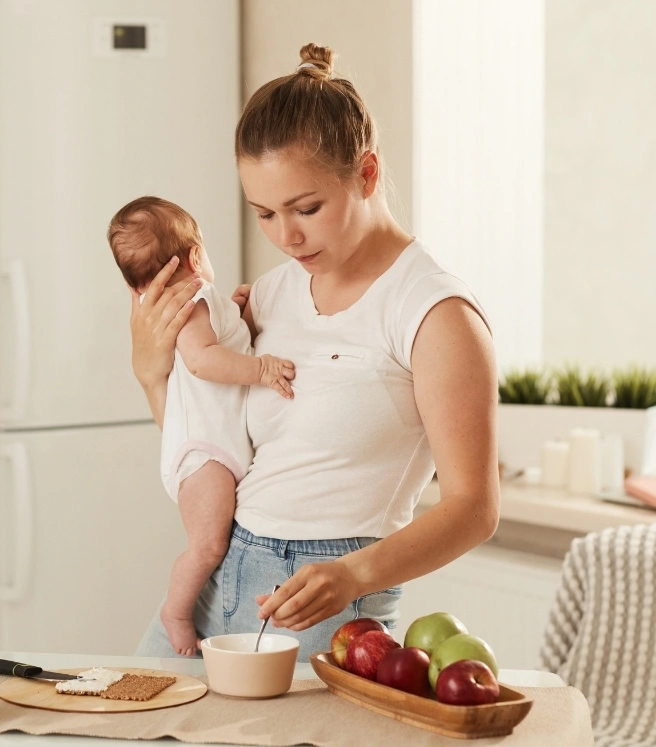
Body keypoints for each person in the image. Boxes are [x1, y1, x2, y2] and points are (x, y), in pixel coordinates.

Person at [130, 44, 499, 659]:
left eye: (307, 209)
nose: (286, 236)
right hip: (218, 579)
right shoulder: (272, 295)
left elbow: (474, 508)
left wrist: (354, 574)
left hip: (325, 605)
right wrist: (151, 377)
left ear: (368, 174)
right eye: (265, 214)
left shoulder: (435, 314)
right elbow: (212, 443)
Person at [108, 195, 296, 656]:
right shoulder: (193, 303)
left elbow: (214, 340)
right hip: (206, 453)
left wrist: (232, 313)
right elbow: (201, 360)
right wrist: (262, 368)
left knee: (212, 540)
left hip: (212, 448)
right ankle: (175, 610)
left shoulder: (201, 306)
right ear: (195, 256)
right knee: (209, 546)